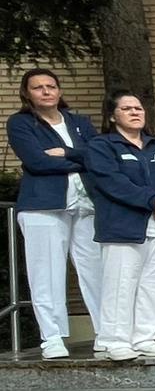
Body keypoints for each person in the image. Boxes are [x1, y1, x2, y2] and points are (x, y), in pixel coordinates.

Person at [83, 92, 155, 361]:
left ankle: (145, 337)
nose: (135, 112)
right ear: (112, 116)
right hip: (123, 227)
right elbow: (113, 183)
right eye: (127, 108)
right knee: (120, 285)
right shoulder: (101, 146)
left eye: (138, 108)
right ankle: (115, 340)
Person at [8, 68, 102, 358]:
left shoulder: (78, 122)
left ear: (59, 91)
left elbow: (99, 155)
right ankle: (52, 338)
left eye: (51, 86)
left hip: (86, 205)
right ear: (27, 93)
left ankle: (108, 332)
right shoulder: (21, 123)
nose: (46, 91)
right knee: (46, 273)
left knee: (97, 270)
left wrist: (66, 153)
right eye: (38, 87)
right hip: (43, 207)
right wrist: (80, 159)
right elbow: (36, 162)